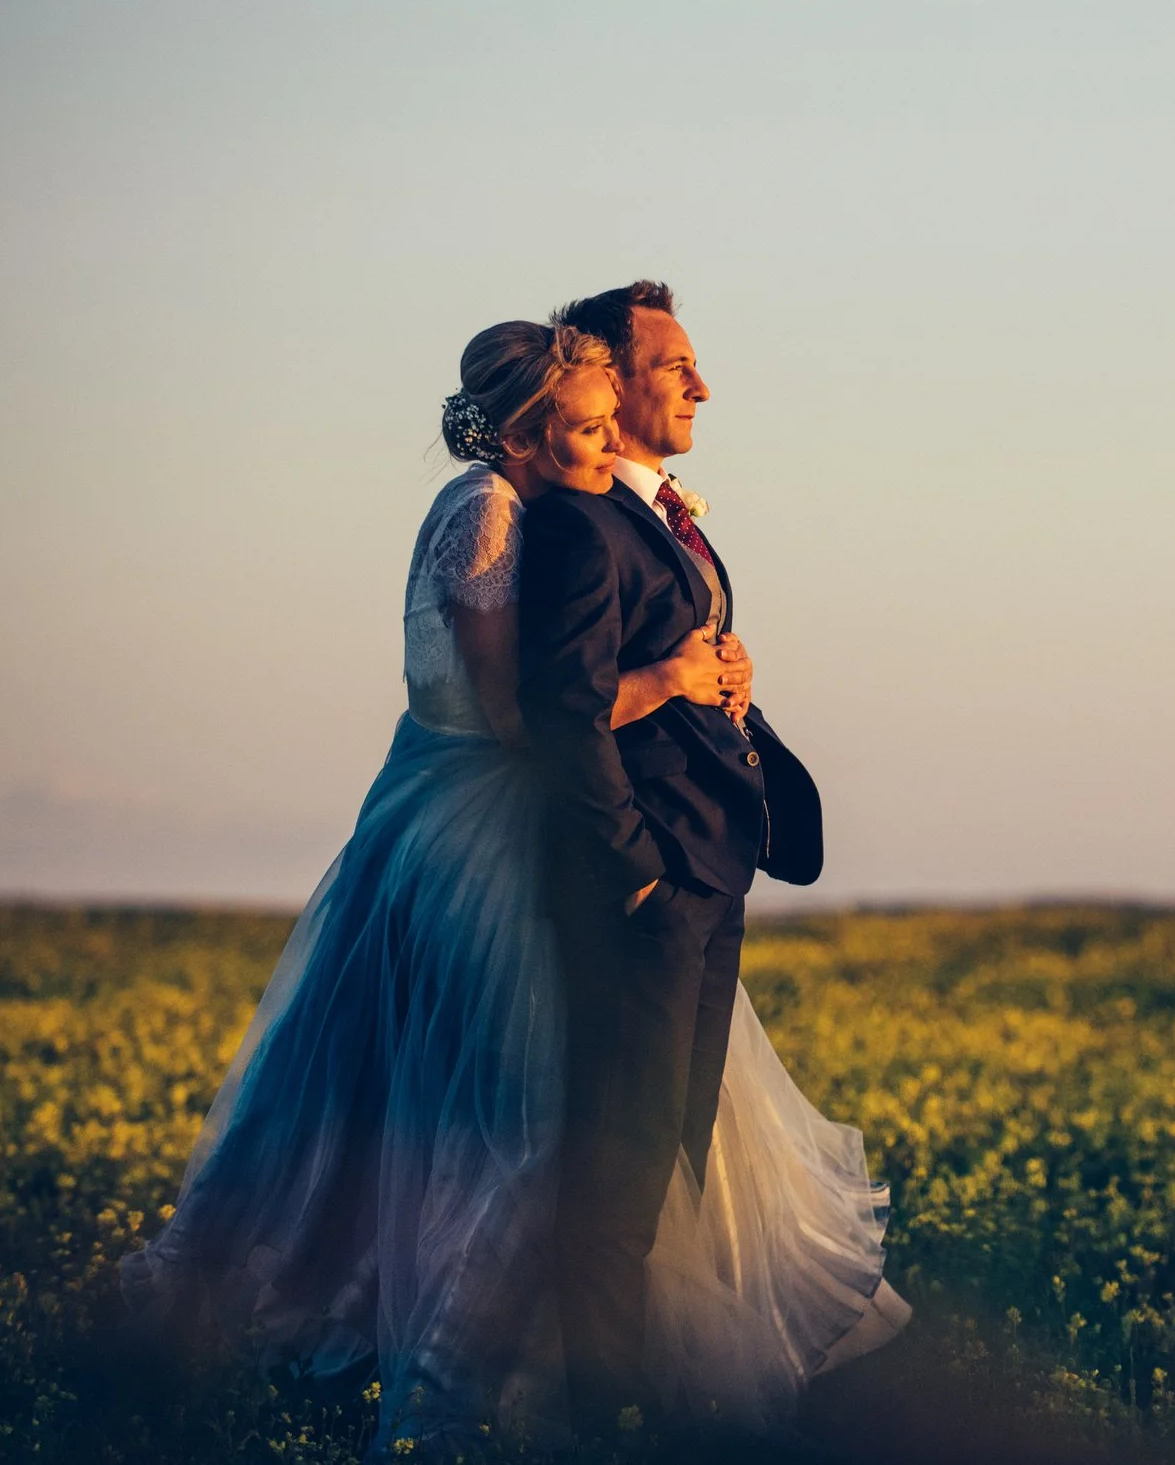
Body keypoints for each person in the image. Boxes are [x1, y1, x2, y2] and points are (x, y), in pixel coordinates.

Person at [123, 313, 899, 1456]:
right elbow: (519, 719)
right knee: (516, 1120)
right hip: (479, 829)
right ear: (526, 434)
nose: (599, 450)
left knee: (458, 1115)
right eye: (581, 430)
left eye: (600, 429)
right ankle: (436, 1406)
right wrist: (674, 675)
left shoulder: (530, 505)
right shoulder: (486, 514)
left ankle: (462, 1380)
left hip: (480, 816)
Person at [521, 282, 903, 1434]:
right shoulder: (578, 525)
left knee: (670, 1155)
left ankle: (643, 1403)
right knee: (618, 1178)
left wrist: (731, 681)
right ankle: (596, 1418)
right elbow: (560, 713)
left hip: (706, 873)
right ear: (607, 379)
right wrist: (633, 867)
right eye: (673, 362)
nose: (700, 382)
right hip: (648, 885)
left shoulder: (663, 518)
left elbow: (670, 663)